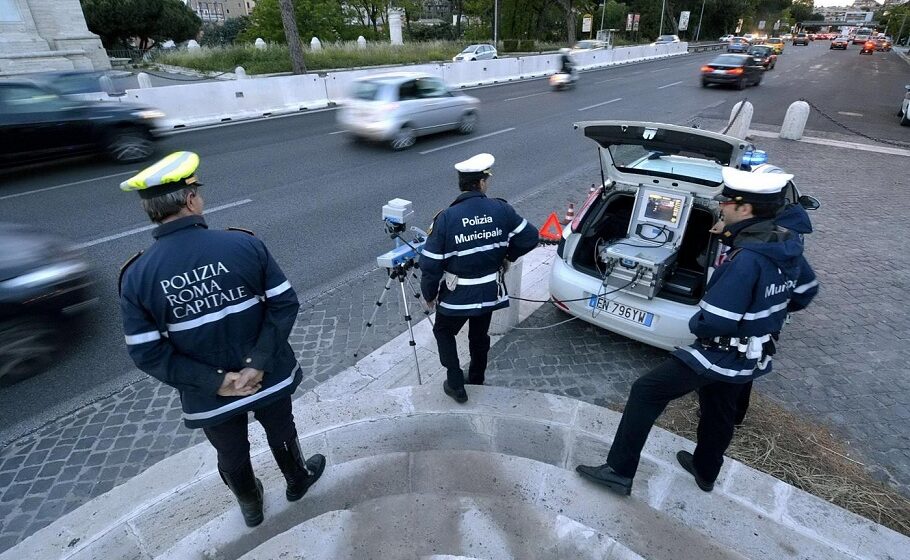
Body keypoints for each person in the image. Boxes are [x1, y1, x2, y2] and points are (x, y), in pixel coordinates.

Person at [576, 167, 819, 496]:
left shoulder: (747, 259)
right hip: (753, 353)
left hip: (718, 351)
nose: (721, 208)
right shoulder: (786, 246)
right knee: (720, 408)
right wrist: (763, 314)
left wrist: (695, 325)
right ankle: (706, 470)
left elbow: (716, 319)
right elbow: (805, 293)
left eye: (727, 203)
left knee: (646, 391)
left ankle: (619, 470)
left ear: (744, 209)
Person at [118, 151, 325, 527]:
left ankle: (251, 506)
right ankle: (297, 479)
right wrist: (258, 363)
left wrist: (218, 382)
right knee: (281, 429)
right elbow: (284, 305)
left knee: (230, 452)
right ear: (189, 199)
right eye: (196, 189)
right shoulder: (243, 245)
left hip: (209, 393)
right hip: (269, 374)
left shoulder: (136, 276)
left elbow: (147, 353)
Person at [420, 153, 539, 403]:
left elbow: (430, 263)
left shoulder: (447, 218)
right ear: (482, 183)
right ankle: (477, 378)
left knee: (443, 331)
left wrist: (429, 294)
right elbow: (530, 237)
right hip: (488, 293)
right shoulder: (501, 209)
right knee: (479, 334)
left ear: (461, 184)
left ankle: (455, 383)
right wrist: (507, 256)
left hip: (457, 296)